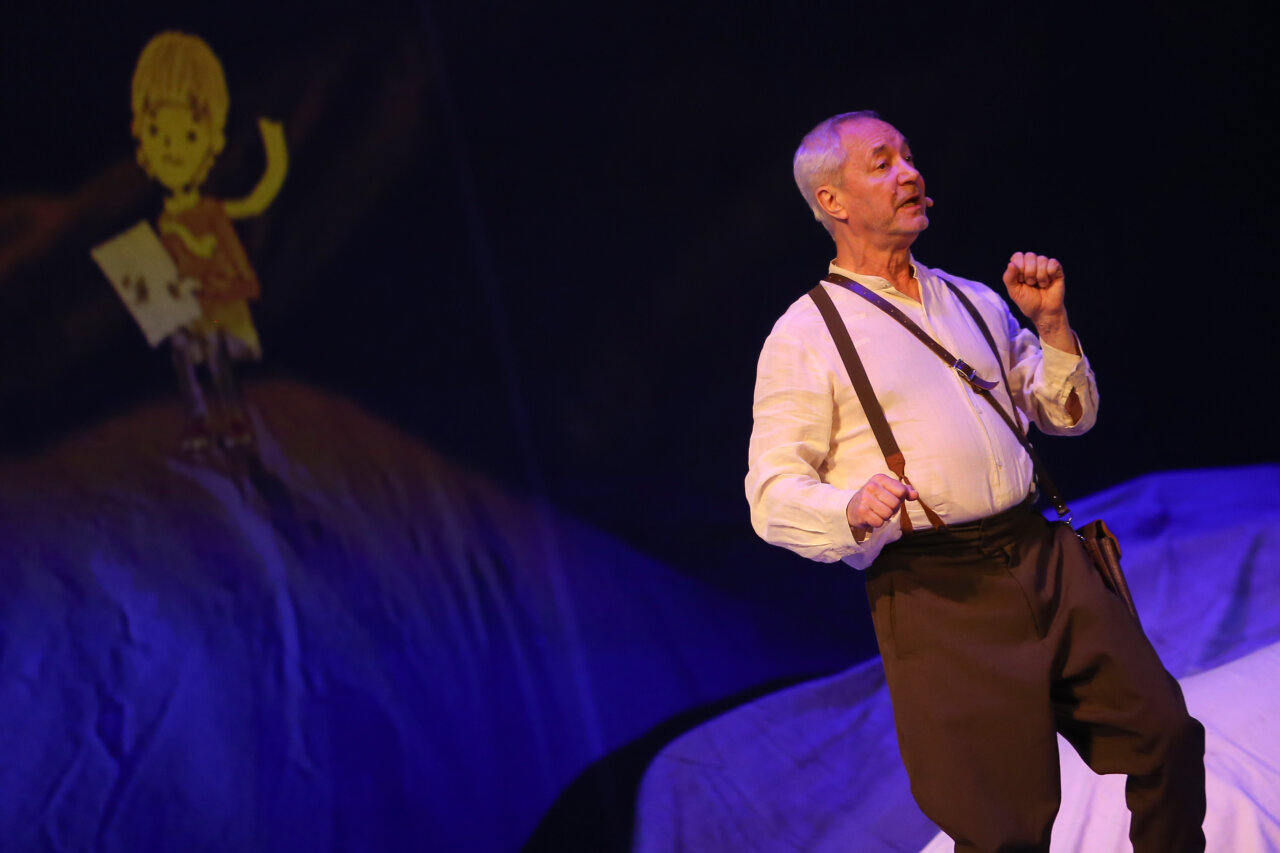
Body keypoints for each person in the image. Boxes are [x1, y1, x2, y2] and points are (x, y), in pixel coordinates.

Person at [744, 110, 1205, 852]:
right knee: (1002, 829)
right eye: (882, 163)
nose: (910, 173)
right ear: (832, 200)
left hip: (1043, 556)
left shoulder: (973, 299)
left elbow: (1066, 414)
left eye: (909, 157)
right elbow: (771, 494)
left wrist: (1051, 327)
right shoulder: (806, 335)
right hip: (938, 590)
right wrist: (848, 507)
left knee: (1166, 734)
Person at [131, 31, 288, 452]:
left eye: (187, 136)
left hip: (217, 308)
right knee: (182, 355)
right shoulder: (166, 218)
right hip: (186, 312)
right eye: (159, 134)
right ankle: (198, 419)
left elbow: (255, 204)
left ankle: (233, 417)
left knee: (216, 353)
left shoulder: (210, 211)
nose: (172, 151)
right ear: (142, 139)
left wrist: (276, 147)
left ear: (212, 141)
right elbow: (165, 270)